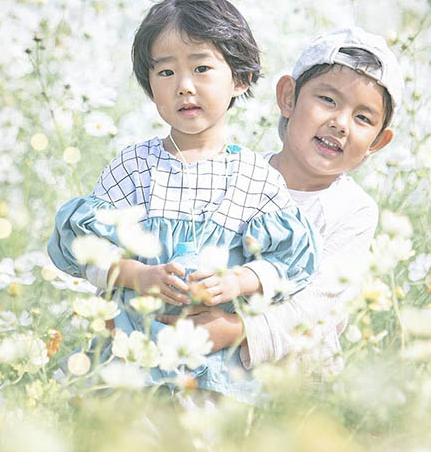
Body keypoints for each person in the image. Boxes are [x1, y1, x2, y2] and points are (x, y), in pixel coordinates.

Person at [48, 0, 319, 401]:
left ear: (240, 79)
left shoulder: (256, 178)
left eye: (202, 68)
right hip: (132, 359)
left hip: (212, 369)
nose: (184, 87)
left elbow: (291, 263)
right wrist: (139, 276)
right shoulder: (135, 166)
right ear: (149, 85)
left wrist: (236, 281)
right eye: (166, 73)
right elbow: (84, 249)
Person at [159, 26, 402, 376]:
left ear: (378, 141)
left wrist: (236, 329)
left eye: (363, 118)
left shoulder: (353, 210)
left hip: (293, 384)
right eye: (328, 100)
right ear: (288, 97)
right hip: (201, 367)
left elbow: (321, 303)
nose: (340, 123)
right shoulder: (236, 171)